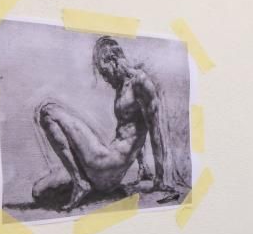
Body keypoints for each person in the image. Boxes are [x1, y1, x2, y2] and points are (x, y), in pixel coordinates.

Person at [33, 36, 179, 211]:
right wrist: (143, 165)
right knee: (38, 191)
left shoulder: (141, 81)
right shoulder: (122, 86)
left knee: (48, 112)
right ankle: (82, 181)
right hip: (104, 172)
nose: (105, 78)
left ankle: (81, 184)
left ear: (113, 60)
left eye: (103, 72)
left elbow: (155, 130)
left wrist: (160, 178)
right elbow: (136, 125)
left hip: (107, 163)